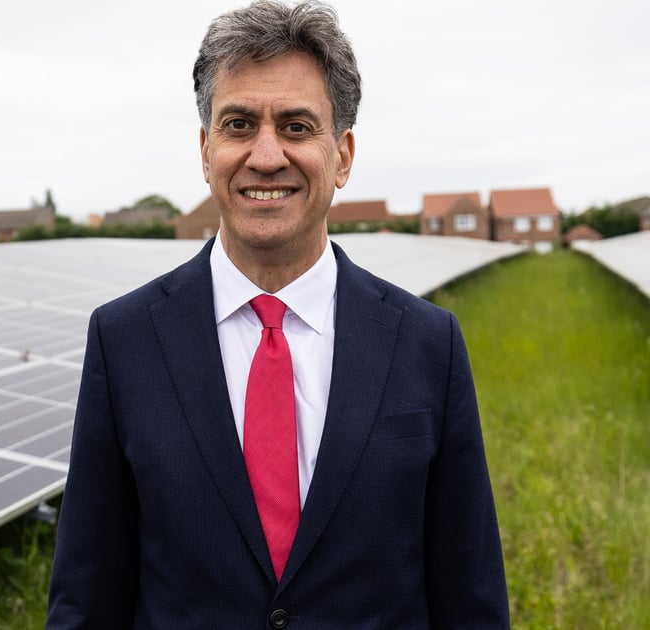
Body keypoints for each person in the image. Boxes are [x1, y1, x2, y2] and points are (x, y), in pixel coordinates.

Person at [45, 1, 509, 627]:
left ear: (342, 155)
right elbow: (86, 599)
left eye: (296, 126)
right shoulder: (124, 341)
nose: (266, 156)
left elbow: (471, 599)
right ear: (206, 150)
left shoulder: (428, 343)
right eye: (238, 125)